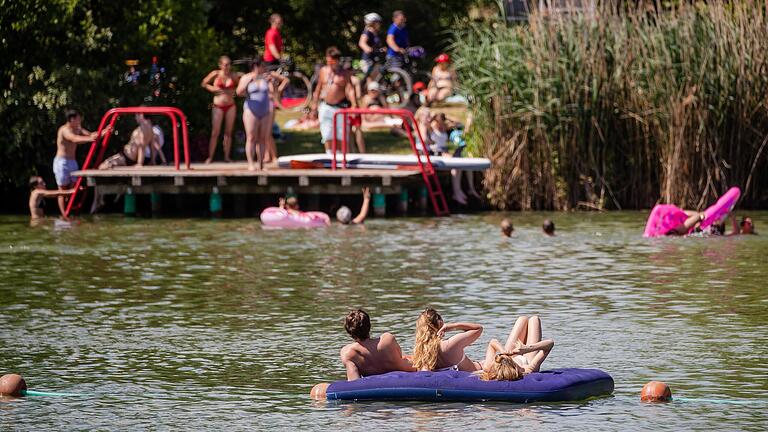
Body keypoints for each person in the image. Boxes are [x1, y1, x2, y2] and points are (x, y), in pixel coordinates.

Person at [237, 58, 288, 170]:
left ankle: (261, 164)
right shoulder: (247, 77)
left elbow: (273, 93)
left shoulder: (266, 77)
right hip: (251, 110)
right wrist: (249, 81)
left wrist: (273, 83)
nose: (264, 68)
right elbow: (239, 92)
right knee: (251, 137)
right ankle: (251, 163)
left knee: (262, 138)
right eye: (262, 66)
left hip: (265, 110)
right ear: (255, 66)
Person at [339, 309, 416, 381]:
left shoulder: (347, 353)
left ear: (349, 332)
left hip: (376, 385)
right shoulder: (387, 339)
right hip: (407, 372)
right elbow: (399, 356)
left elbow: (354, 380)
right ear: (369, 326)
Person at [54, 109, 104, 216]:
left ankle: (70, 211)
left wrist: (104, 131)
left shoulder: (78, 128)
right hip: (62, 162)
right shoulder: (64, 130)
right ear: (71, 119)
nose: (80, 120)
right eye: (78, 119)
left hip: (72, 161)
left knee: (73, 189)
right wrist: (90, 139)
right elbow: (74, 139)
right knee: (62, 191)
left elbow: (92, 135)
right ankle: (64, 215)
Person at [311, 47, 358, 153]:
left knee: (342, 135)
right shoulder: (323, 71)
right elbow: (318, 89)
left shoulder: (344, 73)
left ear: (337, 60)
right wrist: (314, 106)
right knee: (327, 134)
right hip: (326, 106)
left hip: (340, 107)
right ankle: (330, 157)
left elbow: (350, 89)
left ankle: (342, 158)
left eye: (332, 61)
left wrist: (354, 104)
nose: (330, 64)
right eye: (328, 61)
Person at [479, 316, 554, 381]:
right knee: (534, 319)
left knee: (522, 319)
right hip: (527, 359)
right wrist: (527, 348)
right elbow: (550, 343)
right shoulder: (527, 369)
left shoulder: (488, 367)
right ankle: (526, 348)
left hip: (512, 353)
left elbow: (492, 342)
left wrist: (503, 351)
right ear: (515, 368)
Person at [412, 307, 484, 372]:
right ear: (440, 323)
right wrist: (451, 326)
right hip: (479, 369)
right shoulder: (450, 344)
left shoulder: (420, 353)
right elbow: (478, 329)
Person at [201, 56, 239, 163]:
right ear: (220, 65)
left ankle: (227, 157)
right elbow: (204, 83)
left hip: (230, 105)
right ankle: (210, 157)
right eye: (225, 64)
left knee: (228, 132)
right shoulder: (216, 74)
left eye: (229, 64)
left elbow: (240, 86)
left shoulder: (233, 75)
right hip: (218, 105)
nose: (227, 67)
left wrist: (233, 91)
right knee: (215, 132)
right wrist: (212, 89)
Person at [358, 13, 383, 80]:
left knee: (377, 80)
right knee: (370, 80)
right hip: (367, 61)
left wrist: (382, 49)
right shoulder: (367, 32)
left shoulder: (375, 33)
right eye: (378, 22)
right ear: (372, 23)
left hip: (375, 60)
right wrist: (368, 48)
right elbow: (361, 43)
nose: (379, 24)